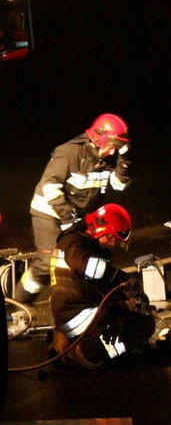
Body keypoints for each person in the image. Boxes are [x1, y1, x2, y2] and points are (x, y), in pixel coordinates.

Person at [15, 113, 132, 306]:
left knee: (84, 258)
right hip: (49, 211)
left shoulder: (110, 159)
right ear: (100, 138)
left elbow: (120, 185)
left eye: (117, 148)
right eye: (113, 146)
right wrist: (67, 216)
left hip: (75, 215)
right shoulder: (69, 152)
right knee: (48, 262)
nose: (113, 153)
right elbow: (49, 186)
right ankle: (17, 304)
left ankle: (90, 303)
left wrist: (125, 160)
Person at [48, 203, 155, 369]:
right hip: (77, 316)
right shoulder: (74, 245)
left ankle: (68, 342)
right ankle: (82, 351)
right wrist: (123, 279)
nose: (112, 244)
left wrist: (127, 295)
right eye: (111, 237)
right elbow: (92, 270)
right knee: (142, 327)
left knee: (133, 318)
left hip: (82, 308)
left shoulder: (82, 242)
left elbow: (99, 285)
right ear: (97, 228)